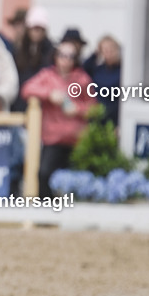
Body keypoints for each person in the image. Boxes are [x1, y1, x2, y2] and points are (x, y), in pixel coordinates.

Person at [21, 40, 96, 197]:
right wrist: (49, 94)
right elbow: (27, 89)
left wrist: (78, 109)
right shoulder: (47, 76)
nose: (66, 60)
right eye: (62, 55)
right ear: (55, 57)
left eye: (70, 56)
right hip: (53, 139)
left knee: (75, 183)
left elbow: (93, 107)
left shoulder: (82, 79)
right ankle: (45, 215)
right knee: (44, 174)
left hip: (76, 139)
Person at [11, 6, 54, 111]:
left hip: (41, 106)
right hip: (19, 104)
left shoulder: (51, 53)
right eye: (34, 28)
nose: (36, 32)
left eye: (40, 29)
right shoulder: (19, 51)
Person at [83, 35, 122, 128]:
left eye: (112, 50)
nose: (109, 53)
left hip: (115, 118)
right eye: (105, 50)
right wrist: (95, 54)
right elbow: (84, 69)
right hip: (97, 116)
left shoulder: (122, 70)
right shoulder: (98, 70)